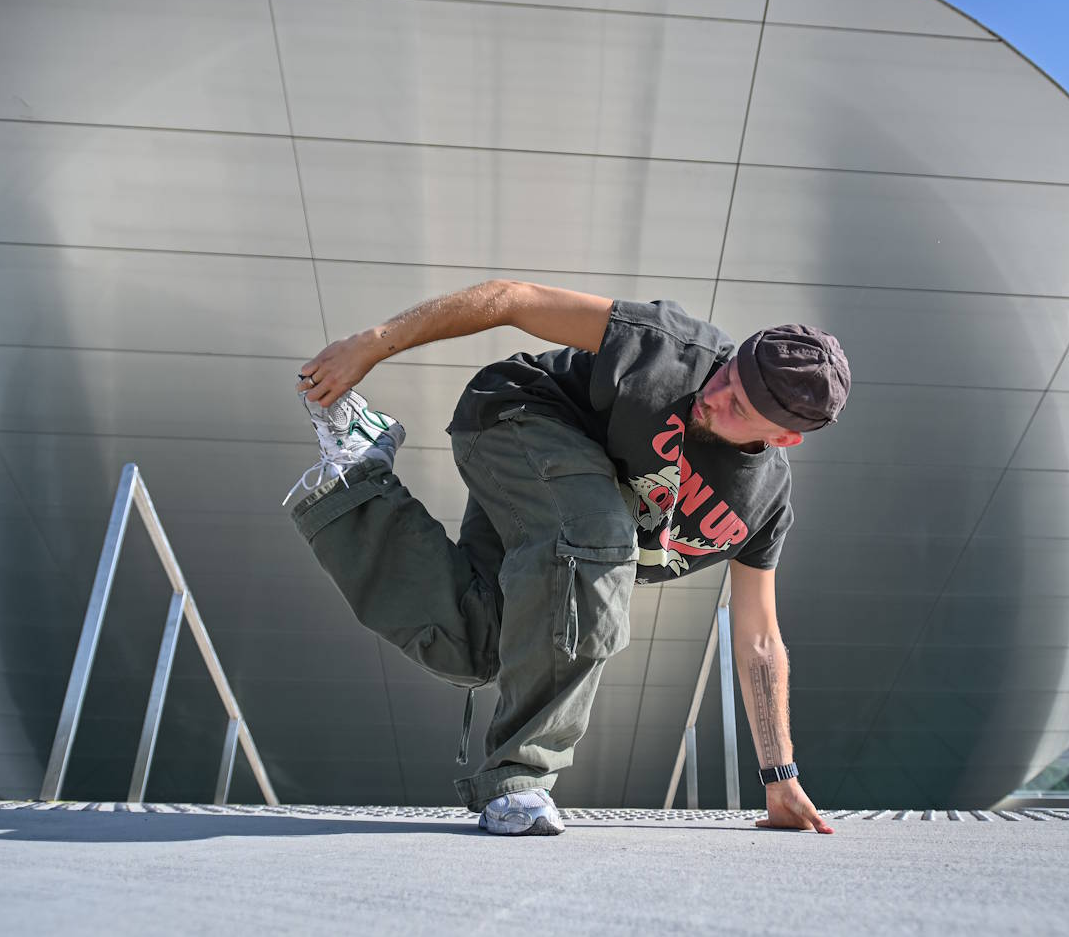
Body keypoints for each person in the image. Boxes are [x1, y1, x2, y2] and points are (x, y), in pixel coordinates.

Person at [284, 279, 849, 836]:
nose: (713, 394)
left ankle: (358, 470)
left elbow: (759, 639)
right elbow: (512, 299)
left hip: (557, 521)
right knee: (602, 541)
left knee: (477, 649)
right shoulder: (666, 348)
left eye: (739, 407)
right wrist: (370, 345)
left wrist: (780, 777)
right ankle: (520, 777)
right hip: (516, 418)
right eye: (729, 375)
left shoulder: (761, 508)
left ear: (783, 439)